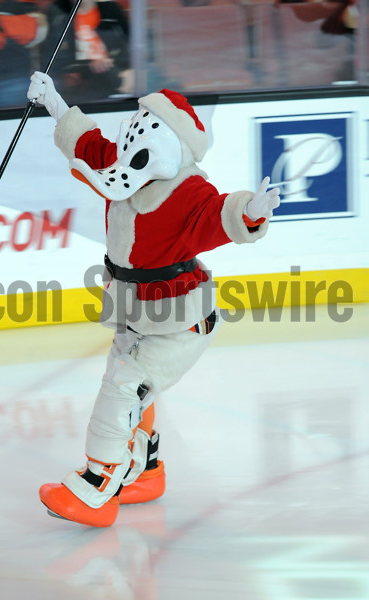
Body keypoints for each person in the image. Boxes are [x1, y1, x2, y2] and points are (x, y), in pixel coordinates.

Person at [27, 71, 280, 527]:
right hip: (133, 308)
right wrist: (53, 100)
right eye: (138, 118)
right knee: (128, 386)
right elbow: (86, 142)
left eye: (150, 122)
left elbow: (219, 214)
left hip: (178, 320)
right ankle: (144, 471)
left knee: (122, 388)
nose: (136, 128)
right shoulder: (120, 167)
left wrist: (251, 211)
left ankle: (97, 486)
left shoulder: (187, 191)